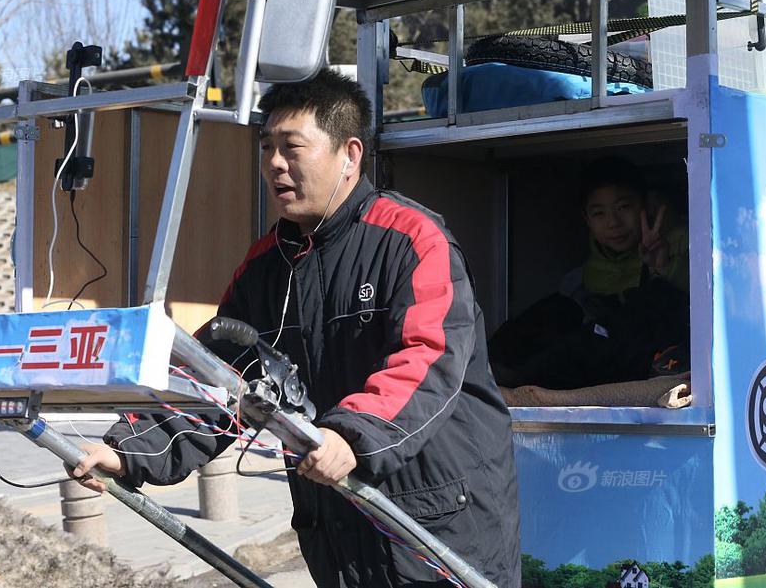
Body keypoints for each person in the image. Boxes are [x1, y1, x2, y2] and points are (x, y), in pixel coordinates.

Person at [73, 69, 521, 587]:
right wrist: (129, 450)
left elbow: (426, 357)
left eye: (292, 147)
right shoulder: (264, 266)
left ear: (349, 154)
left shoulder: (412, 240)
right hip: (335, 521)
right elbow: (217, 378)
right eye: (266, 148)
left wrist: (353, 436)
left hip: (436, 522)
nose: (275, 165)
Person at [491, 159, 690, 390]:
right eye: (599, 214)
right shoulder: (584, 275)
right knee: (557, 310)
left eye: (624, 208)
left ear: (645, 206)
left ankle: (521, 379)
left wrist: (664, 269)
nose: (613, 223)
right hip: (598, 354)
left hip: (646, 354)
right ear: (586, 219)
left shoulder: (683, 245)